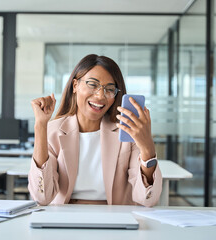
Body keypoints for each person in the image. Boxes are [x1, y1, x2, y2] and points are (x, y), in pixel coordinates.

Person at [28, 54, 162, 206]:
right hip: (65, 217)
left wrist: (147, 147)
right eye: (93, 84)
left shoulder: (126, 131)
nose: (100, 96)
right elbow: (42, 197)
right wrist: (40, 125)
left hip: (115, 218)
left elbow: (147, 199)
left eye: (110, 89)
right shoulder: (53, 130)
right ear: (75, 85)